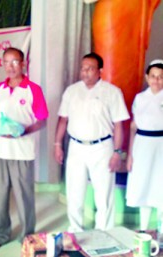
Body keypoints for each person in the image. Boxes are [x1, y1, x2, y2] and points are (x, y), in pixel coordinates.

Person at [54, 52, 129, 232]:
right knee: (74, 192)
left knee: (104, 194)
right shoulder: (72, 91)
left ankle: (104, 233)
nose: (85, 72)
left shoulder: (112, 92)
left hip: (102, 148)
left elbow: (119, 124)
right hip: (76, 147)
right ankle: (76, 229)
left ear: (100, 71)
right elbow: (63, 120)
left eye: (90, 68)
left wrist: (117, 152)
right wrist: (57, 144)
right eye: (83, 68)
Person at [0, 47, 48, 251]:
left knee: (24, 195)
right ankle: (0, 234)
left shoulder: (33, 89)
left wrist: (24, 130)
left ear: (23, 64)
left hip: (22, 151)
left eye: (15, 62)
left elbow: (42, 120)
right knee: (1, 195)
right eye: (6, 62)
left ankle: (28, 236)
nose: (10, 67)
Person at [126, 59, 163, 231]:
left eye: (161, 77)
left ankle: (161, 231)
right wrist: (130, 154)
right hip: (142, 145)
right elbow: (133, 126)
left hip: (161, 146)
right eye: (153, 76)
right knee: (144, 185)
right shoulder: (140, 98)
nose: (156, 80)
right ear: (147, 77)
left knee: (159, 186)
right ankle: (143, 229)